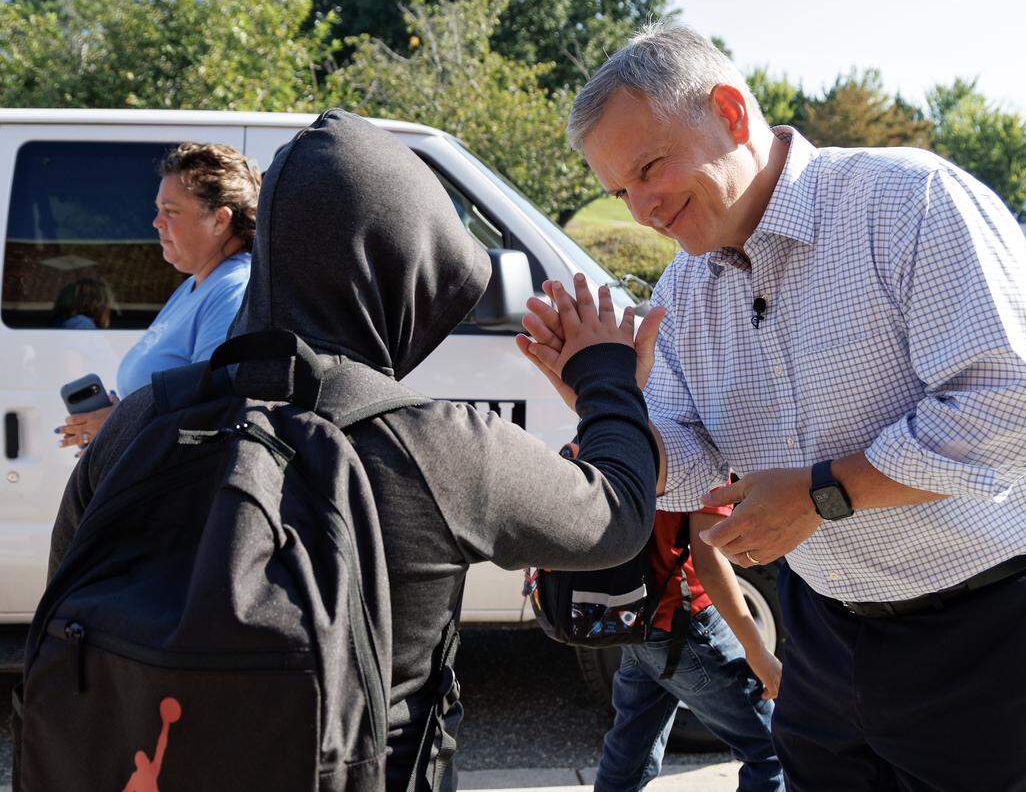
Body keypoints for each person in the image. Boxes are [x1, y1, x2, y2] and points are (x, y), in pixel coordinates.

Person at [521, 22, 1026, 790]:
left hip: (992, 623)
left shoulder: (907, 202)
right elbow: (696, 468)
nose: (641, 210)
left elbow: (1014, 409)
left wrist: (823, 493)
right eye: (619, 190)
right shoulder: (685, 292)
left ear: (731, 112)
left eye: (650, 168)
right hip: (827, 630)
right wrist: (610, 409)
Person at [48, 109, 663, 792]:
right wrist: (603, 378)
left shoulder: (141, 419)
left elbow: (67, 593)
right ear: (403, 266)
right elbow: (617, 518)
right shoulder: (434, 445)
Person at [56, 142, 259, 451]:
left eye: (171, 211)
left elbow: (210, 419)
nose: (156, 222)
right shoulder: (194, 286)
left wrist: (116, 423)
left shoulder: (233, 289)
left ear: (220, 219)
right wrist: (114, 415)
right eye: (158, 209)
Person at [593, 469, 784, 791]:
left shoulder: (625, 436)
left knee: (630, 749)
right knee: (774, 749)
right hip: (685, 626)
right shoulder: (700, 458)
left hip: (635, 621)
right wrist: (757, 651)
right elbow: (709, 563)